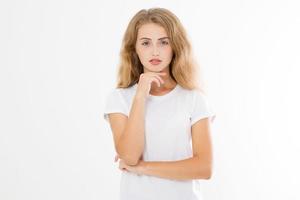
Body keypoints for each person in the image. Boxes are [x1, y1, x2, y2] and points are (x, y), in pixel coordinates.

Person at [103, 7, 216, 200]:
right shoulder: (120, 98)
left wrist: (141, 167)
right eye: (146, 43)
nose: (155, 51)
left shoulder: (194, 98)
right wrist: (140, 95)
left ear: (175, 47)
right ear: (135, 48)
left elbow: (204, 167)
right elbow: (129, 156)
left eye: (164, 42)